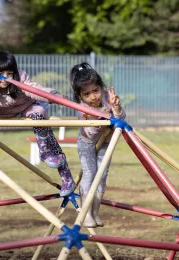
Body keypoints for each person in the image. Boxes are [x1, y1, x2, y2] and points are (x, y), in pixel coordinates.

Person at [0, 51, 75, 197]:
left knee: (40, 119)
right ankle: (52, 156)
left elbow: (36, 90)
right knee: (44, 127)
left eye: (9, 73)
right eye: (0, 73)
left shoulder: (20, 81)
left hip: (29, 108)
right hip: (5, 115)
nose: (5, 78)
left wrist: (54, 96)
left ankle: (51, 158)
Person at [70, 62, 126, 228]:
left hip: (105, 144)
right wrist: (105, 118)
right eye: (87, 94)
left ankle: (94, 212)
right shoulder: (82, 109)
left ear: (102, 88)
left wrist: (116, 107)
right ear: (80, 97)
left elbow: (121, 118)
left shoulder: (107, 104)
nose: (93, 97)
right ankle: (86, 213)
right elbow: (93, 130)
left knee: (102, 175)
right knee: (90, 173)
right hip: (87, 144)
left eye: (96, 90)